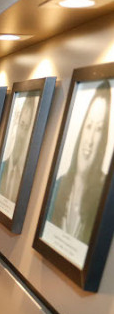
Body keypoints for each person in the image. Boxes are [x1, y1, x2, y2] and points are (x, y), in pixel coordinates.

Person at [47, 81, 110, 243]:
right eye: (89, 126)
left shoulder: (103, 196)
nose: (90, 140)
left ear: (103, 138)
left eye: (98, 130)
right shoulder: (58, 186)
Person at [0, 94, 38, 203]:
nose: (21, 135)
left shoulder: (27, 180)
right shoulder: (0, 168)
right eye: (22, 124)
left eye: (27, 128)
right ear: (16, 124)